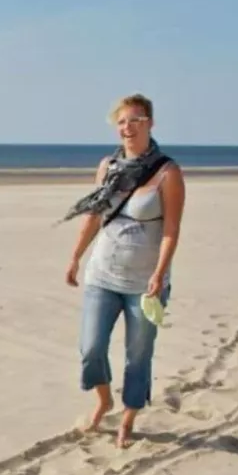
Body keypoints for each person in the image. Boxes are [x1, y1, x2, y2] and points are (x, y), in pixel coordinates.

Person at [62, 94, 187, 448]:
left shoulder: (168, 172)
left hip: (145, 282)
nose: (127, 127)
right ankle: (103, 400)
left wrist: (159, 274)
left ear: (150, 123)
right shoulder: (107, 166)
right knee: (91, 348)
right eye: (121, 122)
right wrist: (75, 257)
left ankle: (128, 417)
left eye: (135, 120)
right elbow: (95, 215)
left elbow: (171, 229)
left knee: (138, 354)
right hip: (102, 273)